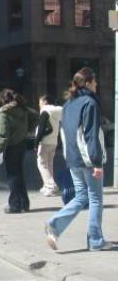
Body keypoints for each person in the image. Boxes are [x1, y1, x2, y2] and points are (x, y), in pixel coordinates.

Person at [45, 67, 112, 251]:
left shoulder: (68, 104)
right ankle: (96, 241)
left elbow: (66, 134)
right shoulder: (89, 103)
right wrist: (97, 162)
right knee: (95, 199)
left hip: (73, 158)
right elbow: (90, 135)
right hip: (88, 159)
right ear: (88, 83)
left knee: (81, 196)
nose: (97, 84)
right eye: (95, 81)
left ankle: (54, 225)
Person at [0, 89, 38, 214]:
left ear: (3, 100)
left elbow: (4, 135)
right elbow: (36, 115)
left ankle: (14, 205)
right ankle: (24, 203)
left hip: (11, 146)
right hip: (22, 144)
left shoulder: (3, 112)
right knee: (19, 174)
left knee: (12, 175)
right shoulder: (23, 109)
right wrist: (28, 129)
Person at [34, 95, 62, 197]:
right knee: (49, 164)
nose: (39, 105)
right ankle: (48, 185)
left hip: (45, 142)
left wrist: (36, 143)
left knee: (42, 164)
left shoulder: (45, 111)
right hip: (53, 141)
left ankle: (50, 186)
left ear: (45, 102)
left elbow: (41, 128)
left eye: (40, 103)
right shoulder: (56, 112)